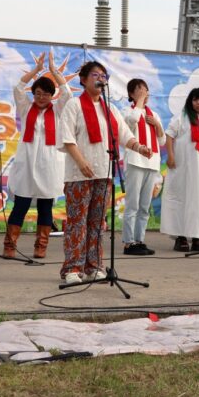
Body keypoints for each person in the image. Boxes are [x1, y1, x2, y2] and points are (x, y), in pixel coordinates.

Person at [59, 61, 153, 284]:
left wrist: (139, 147)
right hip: (79, 175)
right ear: (83, 80)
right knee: (77, 222)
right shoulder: (74, 105)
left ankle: (94, 266)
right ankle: (72, 268)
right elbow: (67, 138)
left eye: (103, 75)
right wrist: (81, 162)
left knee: (97, 223)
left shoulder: (108, 107)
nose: (100, 78)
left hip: (104, 174)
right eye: (95, 74)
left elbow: (123, 134)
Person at [3, 51, 69, 259]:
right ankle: (10, 246)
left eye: (45, 94)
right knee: (20, 206)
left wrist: (53, 71)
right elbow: (17, 88)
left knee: (45, 208)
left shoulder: (58, 110)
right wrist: (35, 71)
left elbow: (68, 94)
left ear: (52, 96)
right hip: (26, 163)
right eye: (38, 93)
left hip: (49, 165)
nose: (41, 98)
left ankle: (41, 247)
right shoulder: (25, 107)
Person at [160, 88, 199, 252]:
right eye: (195, 99)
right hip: (182, 168)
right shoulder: (182, 118)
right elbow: (169, 136)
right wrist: (170, 155)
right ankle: (180, 238)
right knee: (182, 199)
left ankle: (198, 237)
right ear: (190, 102)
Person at [122, 78, 165, 256]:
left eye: (145, 90)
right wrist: (139, 101)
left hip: (152, 162)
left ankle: (139, 240)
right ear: (132, 94)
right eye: (139, 90)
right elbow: (132, 121)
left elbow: (161, 140)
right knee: (132, 204)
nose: (143, 93)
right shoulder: (128, 111)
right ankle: (128, 242)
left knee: (144, 205)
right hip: (135, 161)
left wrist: (157, 125)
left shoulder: (153, 114)